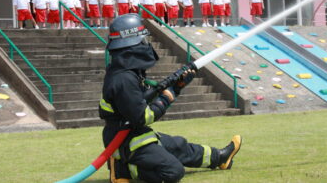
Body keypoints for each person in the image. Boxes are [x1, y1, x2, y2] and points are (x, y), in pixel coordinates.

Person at [100, 14, 242, 183]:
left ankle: (219, 158)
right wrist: (167, 97)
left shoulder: (127, 71)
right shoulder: (123, 79)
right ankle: (123, 168)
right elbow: (142, 117)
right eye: (141, 40)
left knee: (178, 146)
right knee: (173, 172)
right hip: (123, 140)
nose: (145, 44)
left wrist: (177, 87)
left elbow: (139, 102)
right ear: (131, 44)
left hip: (134, 134)